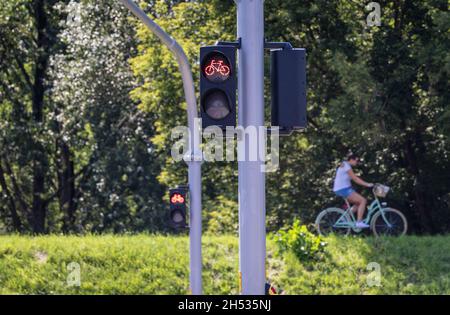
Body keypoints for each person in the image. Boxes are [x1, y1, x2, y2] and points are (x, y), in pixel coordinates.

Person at [333, 153, 374, 228]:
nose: (357, 162)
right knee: (363, 201)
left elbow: (354, 178)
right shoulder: (346, 165)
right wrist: (367, 184)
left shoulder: (345, 165)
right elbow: (355, 179)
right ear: (351, 159)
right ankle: (359, 222)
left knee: (358, 203)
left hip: (343, 189)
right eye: (356, 160)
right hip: (343, 189)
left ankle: (344, 218)